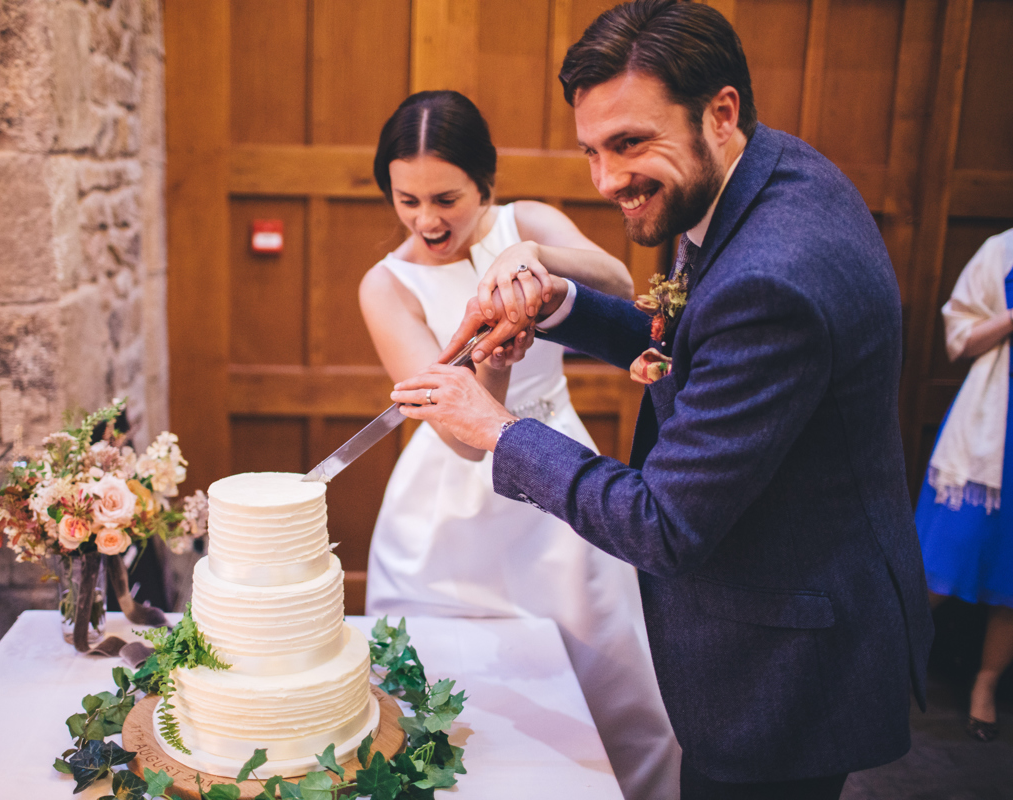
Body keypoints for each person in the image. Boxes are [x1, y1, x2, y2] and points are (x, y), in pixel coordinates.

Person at [387, 2, 934, 798]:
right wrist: (558, 306)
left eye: (630, 144)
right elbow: (690, 337)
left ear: (720, 112)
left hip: (779, 664)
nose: (606, 181)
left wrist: (496, 429)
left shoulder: (773, 276)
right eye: (592, 150)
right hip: (788, 601)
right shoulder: (758, 174)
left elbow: (664, 522)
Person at [359, 90, 680, 800]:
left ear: (487, 183)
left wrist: (528, 254)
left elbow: (622, 284)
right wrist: (497, 359)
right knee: (439, 695)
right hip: (447, 496)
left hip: (558, 471)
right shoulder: (386, 287)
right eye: (406, 200)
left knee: (610, 678)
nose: (426, 219)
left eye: (447, 197)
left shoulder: (524, 219)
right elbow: (466, 439)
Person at [914, 228, 1013, 742]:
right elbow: (959, 338)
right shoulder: (1001, 250)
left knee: (1011, 576)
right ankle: (886, 659)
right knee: (943, 558)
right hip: (990, 426)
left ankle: (985, 687)